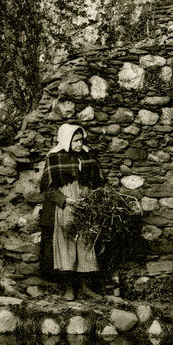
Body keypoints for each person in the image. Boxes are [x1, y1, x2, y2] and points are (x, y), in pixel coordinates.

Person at [37, 123, 104, 300]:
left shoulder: (87, 156)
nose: (80, 144)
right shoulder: (54, 158)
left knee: (86, 243)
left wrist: (92, 198)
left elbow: (97, 182)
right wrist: (66, 200)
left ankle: (86, 287)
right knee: (66, 245)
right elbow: (49, 190)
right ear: (66, 140)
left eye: (81, 140)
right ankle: (69, 288)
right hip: (65, 207)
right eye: (76, 140)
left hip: (86, 204)